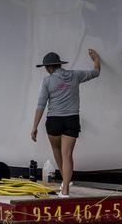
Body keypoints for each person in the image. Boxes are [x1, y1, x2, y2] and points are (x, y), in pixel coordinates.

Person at [30, 49, 101, 197]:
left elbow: (41, 105)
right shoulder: (75, 75)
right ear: (58, 64)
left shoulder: (47, 81)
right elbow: (96, 72)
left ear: (49, 67)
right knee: (67, 155)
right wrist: (96, 60)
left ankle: (66, 181)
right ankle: (65, 190)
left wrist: (34, 127)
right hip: (72, 119)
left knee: (57, 151)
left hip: (54, 121)